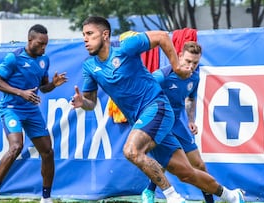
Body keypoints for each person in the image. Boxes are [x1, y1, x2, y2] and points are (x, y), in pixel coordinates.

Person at [70, 16, 245, 203]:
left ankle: (173, 197)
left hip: (157, 106)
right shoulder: (89, 67)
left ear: (105, 35)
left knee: (131, 150)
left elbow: (162, 36)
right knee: (187, 173)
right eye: (83, 35)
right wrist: (83, 103)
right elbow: (91, 102)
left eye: (90, 34)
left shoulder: (127, 47)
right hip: (143, 120)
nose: (85, 39)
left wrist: (176, 67)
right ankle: (232, 196)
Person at [0, 24, 68, 203]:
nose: (43, 47)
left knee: (48, 151)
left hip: (31, 111)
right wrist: (21, 93)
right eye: (40, 43)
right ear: (30, 40)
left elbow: (43, 88)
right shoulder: (13, 58)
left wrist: (53, 84)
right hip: (11, 108)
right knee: (16, 147)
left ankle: (46, 198)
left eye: (46, 44)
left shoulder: (44, 59)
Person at [141, 41, 214, 202]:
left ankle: (210, 201)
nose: (191, 66)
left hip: (178, 123)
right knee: (168, 161)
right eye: (188, 61)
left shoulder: (195, 76)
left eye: (195, 62)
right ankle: (149, 192)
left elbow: (191, 98)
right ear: (179, 56)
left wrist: (191, 120)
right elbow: (145, 88)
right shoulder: (164, 74)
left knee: (199, 165)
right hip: (160, 121)